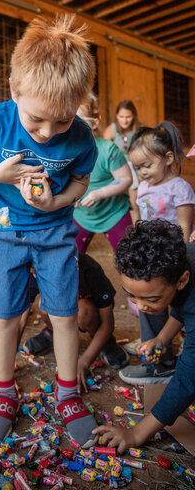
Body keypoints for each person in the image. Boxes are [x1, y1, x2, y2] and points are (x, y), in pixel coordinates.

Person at [0, 14, 99, 448]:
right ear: (15, 92)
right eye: (36, 122)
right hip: (5, 233)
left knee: (63, 314)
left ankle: (67, 393)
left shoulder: (83, 138)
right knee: (6, 314)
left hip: (55, 235)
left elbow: (82, 183)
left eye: (62, 121)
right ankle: (4, 390)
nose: (49, 133)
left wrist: (56, 202)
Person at [94, 220, 195, 452]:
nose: (141, 306)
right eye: (132, 296)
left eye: (151, 299)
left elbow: (188, 378)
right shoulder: (180, 264)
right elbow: (181, 305)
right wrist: (161, 339)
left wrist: (137, 433)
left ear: (182, 280)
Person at [119, 120, 195, 377]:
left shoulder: (180, 188)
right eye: (137, 167)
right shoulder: (143, 187)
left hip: (170, 258)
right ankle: (156, 359)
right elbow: (139, 216)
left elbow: (184, 227)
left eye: (147, 166)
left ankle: (172, 355)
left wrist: (179, 261)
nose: (142, 172)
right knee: (148, 307)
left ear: (168, 157)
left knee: (176, 306)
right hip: (149, 258)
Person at [22, 253, 129, 390]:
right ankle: (53, 331)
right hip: (60, 312)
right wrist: (5, 365)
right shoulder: (38, 268)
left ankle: (105, 342)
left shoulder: (89, 269)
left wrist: (84, 362)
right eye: (34, 272)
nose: (35, 275)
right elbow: (20, 315)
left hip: (88, 313)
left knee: (84, 312)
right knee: (44, 304)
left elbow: (107, 324)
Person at [73, 96, 132, 252]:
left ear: (94, 122)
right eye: (67, 119)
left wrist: (100, 193)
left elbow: (126, 178)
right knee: (71, 258)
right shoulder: (66, 151)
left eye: (78, 119)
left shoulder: (108, 149)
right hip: (82, 216)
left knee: (130, 257)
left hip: (114, 213)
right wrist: (69, 196)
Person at [103, 99, 140, 221]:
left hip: (135, 167)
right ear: (117, 116)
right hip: (117, 167)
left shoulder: (138, 130)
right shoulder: (112, 129)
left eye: (128, 117)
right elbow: (104, 150)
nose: (125, 120)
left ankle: (138, 229)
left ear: (134, 116)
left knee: (134, 203)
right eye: (121, 117)